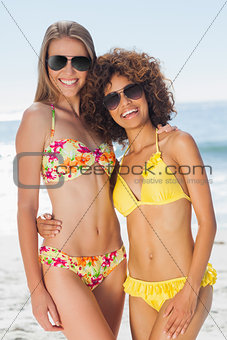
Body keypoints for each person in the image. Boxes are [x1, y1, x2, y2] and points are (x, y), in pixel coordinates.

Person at [16, 21, 172, 339]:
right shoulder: (38, 117)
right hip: (65, 263)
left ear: (91, 64)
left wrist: (163, 141)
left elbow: (121, 181)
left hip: (114, 261)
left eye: (80, 61)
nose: (68, 70)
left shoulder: (100, 118)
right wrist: (36, 291)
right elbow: (25, 206)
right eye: (58, 61)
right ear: (45, 64)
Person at [80, 48, 217, 340]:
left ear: (148, 91)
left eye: (131, 91)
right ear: (105, 109)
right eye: (112, 98)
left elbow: (208, 223)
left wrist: (189, 293)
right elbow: (88, 216)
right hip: (139, 291)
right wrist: (46, 224)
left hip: (184, 284)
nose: (124, 103)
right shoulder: (117, 165)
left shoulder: (178, 143)